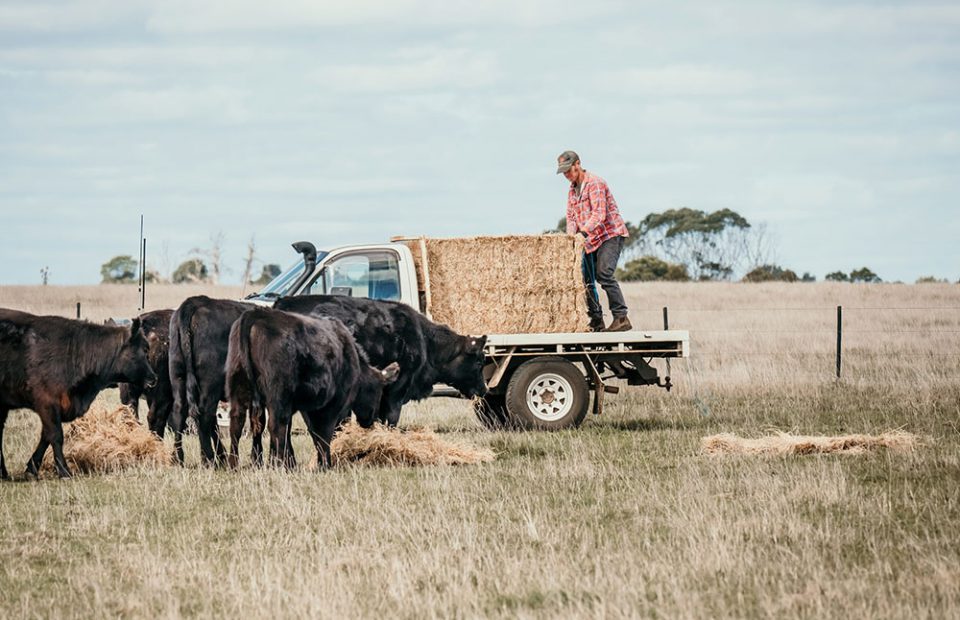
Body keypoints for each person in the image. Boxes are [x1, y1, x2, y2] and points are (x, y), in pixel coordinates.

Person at [557, 150, 632, 332]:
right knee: (585, 280)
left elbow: (599, 214)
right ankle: (596, 320)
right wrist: (570, 239)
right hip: (590, 239)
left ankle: (621, 317)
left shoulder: (595, 183)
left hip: (609, 234)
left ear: (578, 164)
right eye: (564, 172)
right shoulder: (572, 190)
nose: (567, 175)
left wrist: (582, 233)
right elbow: (571, 216)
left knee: (604, 274)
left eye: (569, 170)